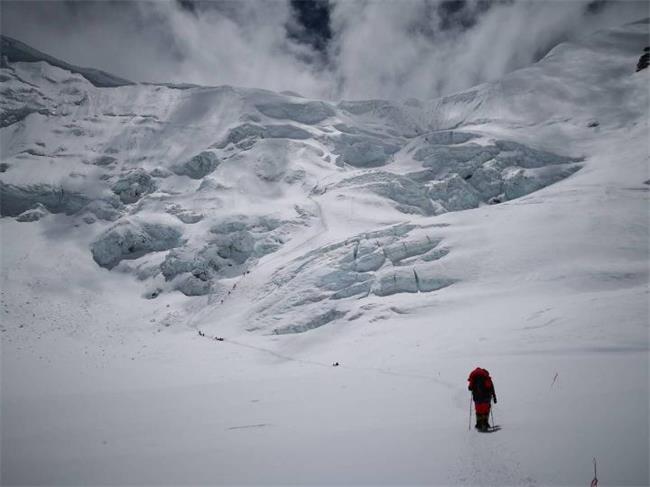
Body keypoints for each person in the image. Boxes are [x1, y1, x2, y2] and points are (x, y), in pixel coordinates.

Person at [468, 367, 497, 431]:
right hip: (486, 397)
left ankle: (479, 424)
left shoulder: (474, 378)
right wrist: (494, 397)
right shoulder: (487, 378)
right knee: (485, 411)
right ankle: (485, 424)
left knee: (478, 411)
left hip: (477, 398)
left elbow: (470, 388)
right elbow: (491, 388)